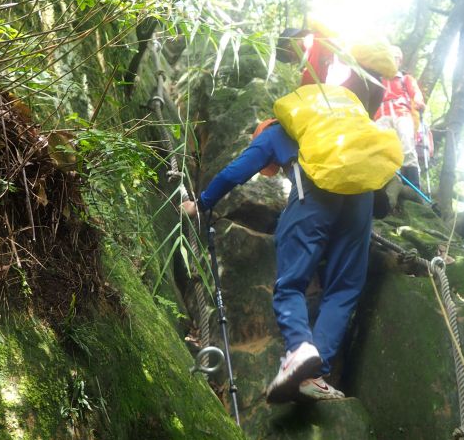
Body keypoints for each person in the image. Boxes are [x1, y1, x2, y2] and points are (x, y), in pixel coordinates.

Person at [182, 49, 393, 404]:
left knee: (290, 282)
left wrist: (200, 204)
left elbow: (235, 173)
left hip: (316, 189)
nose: (273, 171)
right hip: (362, 191)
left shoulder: (274, 132)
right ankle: (314, 374)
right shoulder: (333, 123)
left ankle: (298, 349)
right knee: (344, 288)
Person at [374, 45, 426, 192]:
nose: (393, 60)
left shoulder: (405, 78)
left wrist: (418, 101)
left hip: (402, 114)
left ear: (400, 61)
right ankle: (383, 185)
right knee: (383, 150)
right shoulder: (377, 79)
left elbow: (415, 92)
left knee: (407, 147)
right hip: (381, 116)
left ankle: (413, 188)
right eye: (390, 57)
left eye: (395, 57)